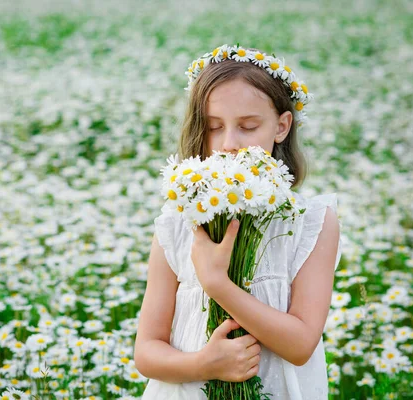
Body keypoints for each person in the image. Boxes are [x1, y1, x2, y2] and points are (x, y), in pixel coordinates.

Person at [134, 44, 343, 399]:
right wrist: (205, 365)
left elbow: (300, 344)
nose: (229, 144)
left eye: (248, 126)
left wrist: (218, 284)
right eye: (214, 127)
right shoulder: (177, 223)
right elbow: (146, 352)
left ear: (281, 126)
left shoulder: (310, 223)